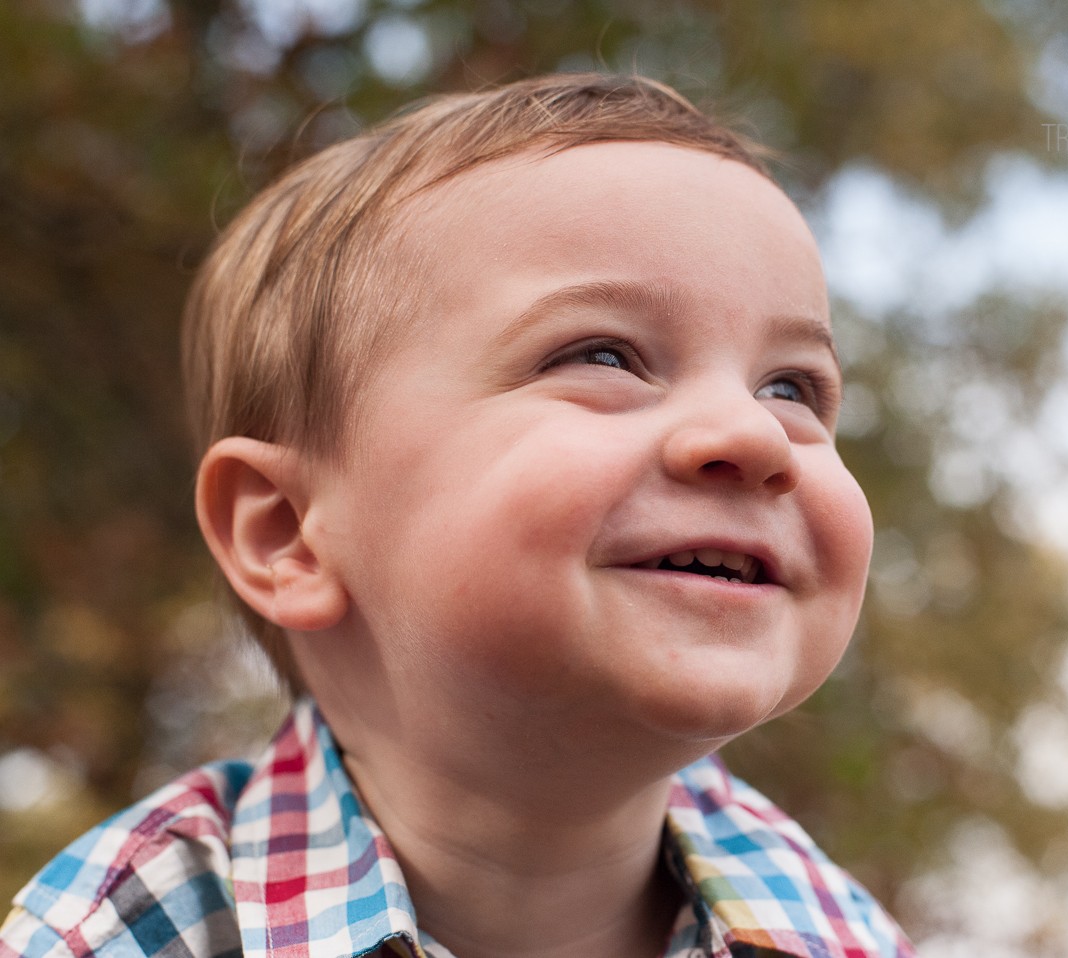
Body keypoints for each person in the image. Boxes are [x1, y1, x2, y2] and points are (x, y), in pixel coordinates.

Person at [0, 73, 913, 958]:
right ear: (286, 533)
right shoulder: (122, 931)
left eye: (792, 386)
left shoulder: (842, 932)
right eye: (604, 354)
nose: (752, 433)